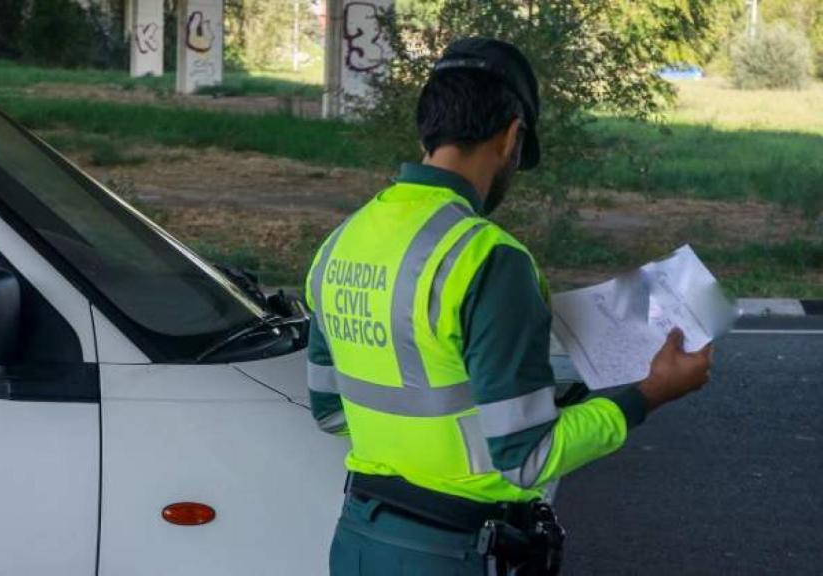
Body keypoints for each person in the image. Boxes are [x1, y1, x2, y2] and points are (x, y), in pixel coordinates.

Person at [303, 37, 713, 575]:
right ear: (511, 137)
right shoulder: (488, 259)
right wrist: (650, 394)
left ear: (429, 126)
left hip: (360, 542)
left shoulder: (341, 243)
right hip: (454, 552)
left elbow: (332, 412)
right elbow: (529, 459)